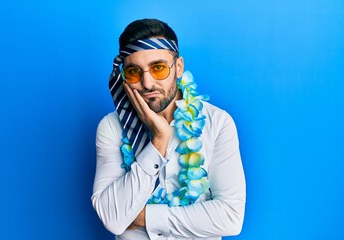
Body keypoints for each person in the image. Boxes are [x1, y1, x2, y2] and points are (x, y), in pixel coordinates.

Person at [91, 18, 246, 240]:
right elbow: (113, 219)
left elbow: (231, 217)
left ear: (178, 68)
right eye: (134, 71)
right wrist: (159, 141)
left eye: (158, 68)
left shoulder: (218, 122)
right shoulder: (111, 127)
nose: (147, 83)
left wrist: (144, 217)